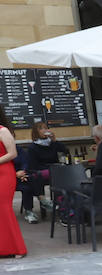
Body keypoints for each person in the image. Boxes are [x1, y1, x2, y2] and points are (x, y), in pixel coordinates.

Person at [16, 120, 66, 224]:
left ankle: (60, 206)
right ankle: (41, 202)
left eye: (46, 128)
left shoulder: (52, 144)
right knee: (32, 177)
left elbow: (65, 151)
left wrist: (55, 140)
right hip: (41, 172)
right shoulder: (33, 147)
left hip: (54, 171)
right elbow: (33, 165)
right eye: (41, 128)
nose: (45, 130)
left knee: (60, 178)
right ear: (36, 132)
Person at [0, 107, 27, 258]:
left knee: (4, 208)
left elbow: (13, 153)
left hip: (4, 173)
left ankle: (17, 248)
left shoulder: (3, 131)